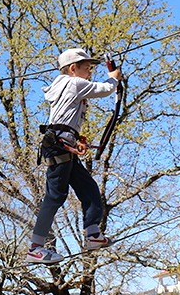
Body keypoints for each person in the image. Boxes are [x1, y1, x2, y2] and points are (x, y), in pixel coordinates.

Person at [26, 48, 123, 264]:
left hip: (64, 146)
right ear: (72, 68)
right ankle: (35, 247)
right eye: (87, 68)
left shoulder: (66, 85)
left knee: (88, 189)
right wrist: (114, 78)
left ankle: (93, 234)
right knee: (55, 196)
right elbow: (105, 89)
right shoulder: (72, 83)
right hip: (59, 146)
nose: (89, 73)